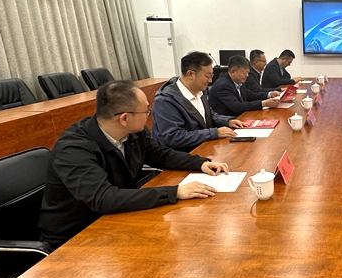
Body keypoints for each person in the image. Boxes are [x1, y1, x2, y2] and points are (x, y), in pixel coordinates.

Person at [39, 80, 230, 250]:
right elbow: (104, 198)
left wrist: (200, 163)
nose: (149, 115)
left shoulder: (134, 131)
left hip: (117, 219)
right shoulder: (73, 149)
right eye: (146, 111)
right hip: (75, 239)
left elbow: (160, 155)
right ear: (124, 118)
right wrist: (175, 192)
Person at [151, 51, 245, 152]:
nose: (210, 81)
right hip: (181, 155)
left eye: (211, 76)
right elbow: (173, 137)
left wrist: (227, 121)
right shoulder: (165, 101)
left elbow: (208, 115)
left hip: (203, 148)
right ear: (190, 74)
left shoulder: (199, 90)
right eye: (207, 76)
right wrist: (214, 133)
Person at [209, 54, 281, 117]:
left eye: (248, 72)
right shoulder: (223, 86)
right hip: (227, 122)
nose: (247, 75)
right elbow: (237, 107)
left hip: (241, 116)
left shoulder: (238, 81)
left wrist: (270, 94)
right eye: (244, 73)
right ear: (233, 72)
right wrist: (264, 103)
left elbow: (250, 95)